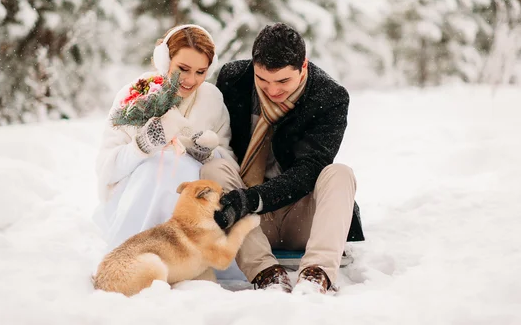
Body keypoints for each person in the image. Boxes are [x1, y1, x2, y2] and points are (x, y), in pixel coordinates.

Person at [201, 22, 364, 293]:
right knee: (214, 169)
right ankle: (265, 272)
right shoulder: (234, 79)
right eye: (262, 80)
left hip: (301, 217)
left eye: (283, 81)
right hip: (248, 223)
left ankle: (317, 273)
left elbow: (310, 169)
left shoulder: (330, 97)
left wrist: (252, 199)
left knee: (340, 173)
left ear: (303, 66)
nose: (272, 91)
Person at [93, 24, 245, 280]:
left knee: (183, 171)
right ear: (165, 60)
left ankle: (186, 261)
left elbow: (228, 163)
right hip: (137, 196)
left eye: (201, 72)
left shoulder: (212, 99)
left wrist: (205, 153)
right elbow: (108, 170)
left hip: (189, 206)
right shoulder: (137, 93)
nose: (191, 80)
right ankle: (137, 256)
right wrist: (143, 145)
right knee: (156, 167)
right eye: (182, 69)